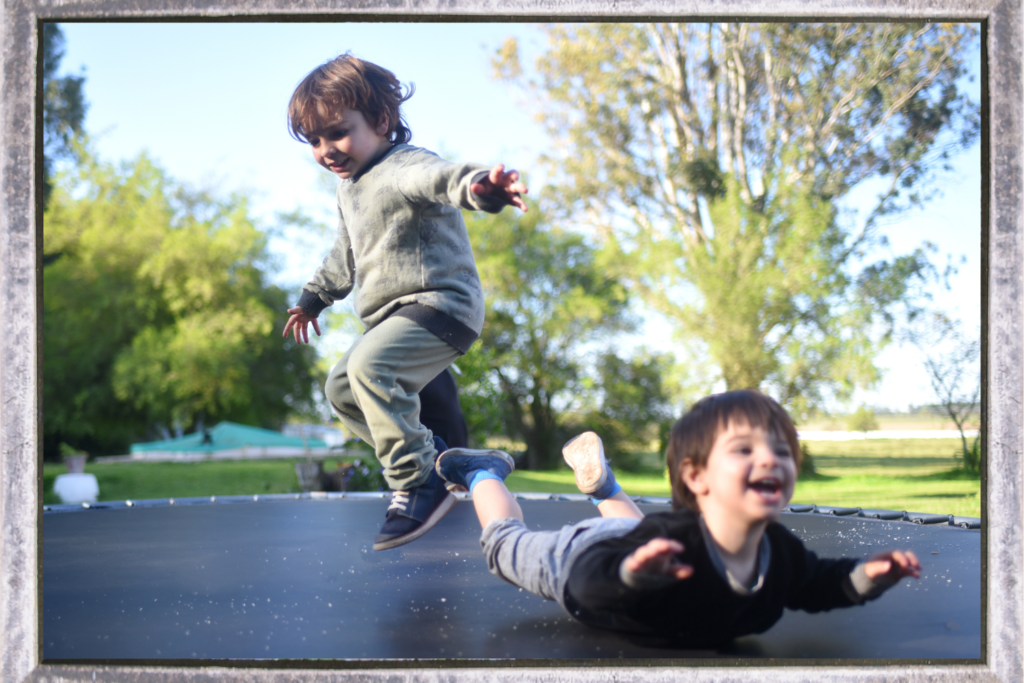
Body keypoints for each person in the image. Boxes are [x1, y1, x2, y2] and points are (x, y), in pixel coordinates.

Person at [435, 389, 922, 646]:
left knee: (637, 534)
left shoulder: (781, 553)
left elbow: (821, 585)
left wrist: (869, 575)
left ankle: (604, 487)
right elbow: (585, 582)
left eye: (782, 450)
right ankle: (483, 473)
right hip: (584, 558)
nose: (772, 459)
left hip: (639, 543)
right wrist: (628, 575)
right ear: (696, 477)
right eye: (746, 450)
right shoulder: (670, 538)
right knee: (502, 546)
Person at [282, 54, 528, 551]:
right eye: (314, 141)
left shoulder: (403, 165)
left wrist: (484, 187)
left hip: (440, 305)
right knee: (341, 388)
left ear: (381, 121)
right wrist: (314, 298)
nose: (327, 150)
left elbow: (444, 178)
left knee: (370, 367)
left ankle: (416, 480)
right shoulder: (348, 190)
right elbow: (343, 253)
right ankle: (443, 461)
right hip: (392, 319)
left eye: (338, 133)